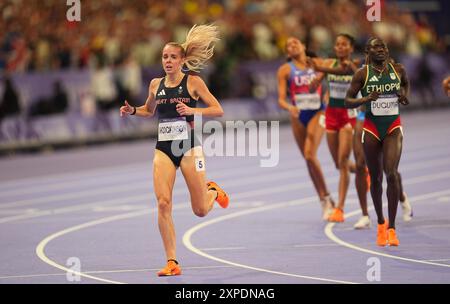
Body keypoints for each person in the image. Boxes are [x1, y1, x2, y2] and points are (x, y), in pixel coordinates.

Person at [120, 24, 229, 276]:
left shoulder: (193, 82)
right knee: (163, 203)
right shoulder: (155, 84)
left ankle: (212, 191)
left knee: (200, 210)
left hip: (190, 148)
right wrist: (134, 111)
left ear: (182, 61)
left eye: (172, 57)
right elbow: (150, 111)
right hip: (164, 149)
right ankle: (172, 262)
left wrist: (193, 110)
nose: (168, 61)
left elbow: (218, 109)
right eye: (164, 57)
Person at [345, 37, 409, 246]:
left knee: (391, 173)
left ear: (387, 50)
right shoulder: (362, 74)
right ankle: (380, 223)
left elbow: (406, 84)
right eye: (376, 47)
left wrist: (404, 96)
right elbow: (348, 100)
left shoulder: (398, 69)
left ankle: (392, 228)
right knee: (376, 178)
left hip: (393, 127)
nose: (380, 50)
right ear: (368, 52)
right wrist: (366, 99)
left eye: (383, 46)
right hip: (371, 128)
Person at [277, 37, 335, 221]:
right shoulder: (285, 70)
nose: (292, 45)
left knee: (310, 154)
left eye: (295, 42)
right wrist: (289, 107)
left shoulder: (317, 63)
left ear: (304, 46)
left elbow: (336, 71)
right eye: (288, 45)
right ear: (288, 52)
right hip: (298, 115)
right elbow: (280, 99)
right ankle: (324, 200)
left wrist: (327, 93)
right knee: (308, 160)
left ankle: (326, 197)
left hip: (318, 112)